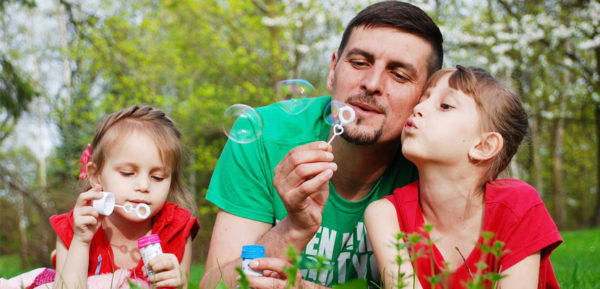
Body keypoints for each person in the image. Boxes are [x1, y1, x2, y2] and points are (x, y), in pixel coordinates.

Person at [201, 1, 444, 288]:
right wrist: (294, 228)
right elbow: (214, 283)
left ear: (425, 98)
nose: (372, 83)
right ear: (333, 70)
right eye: (359, 63)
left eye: (399, 74)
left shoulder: (436, 162)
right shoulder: (262, 135)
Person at [365, 66, 562, 289]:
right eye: (423, 99)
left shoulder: (518, 206)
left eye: (445, 106)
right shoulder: (385, 214)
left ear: (484, 146)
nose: (418, 108)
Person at [50, 105, 200, 289]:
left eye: (158, 177)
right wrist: (81, 241)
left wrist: (180, 284)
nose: (144, 186)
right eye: (128, 173)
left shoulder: (176, 229)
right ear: (96, 175)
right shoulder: (75, 227)